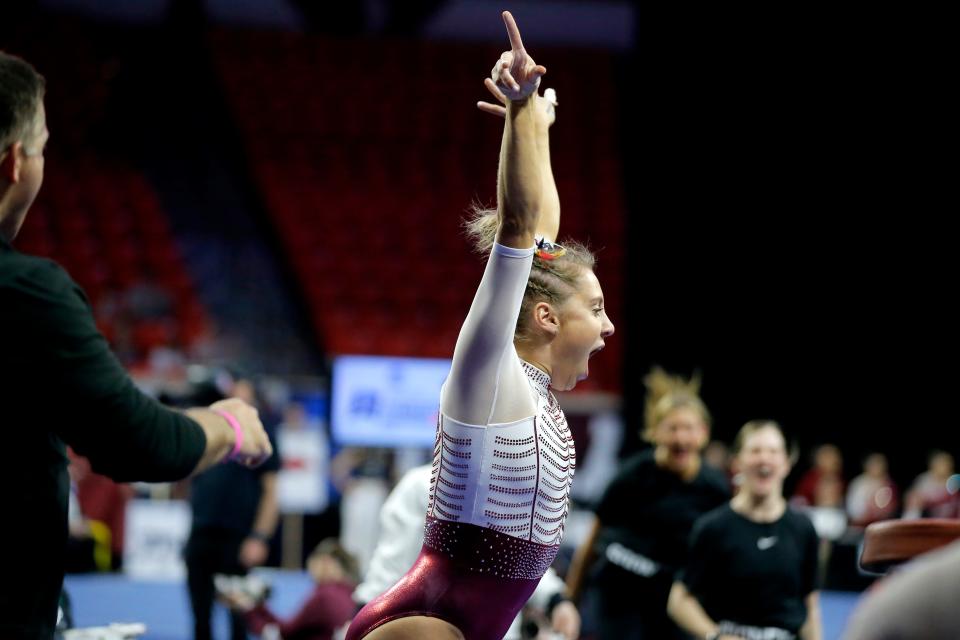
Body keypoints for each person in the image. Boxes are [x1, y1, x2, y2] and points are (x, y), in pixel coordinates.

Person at [345, 11, 614, 640]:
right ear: (546, 317)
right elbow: (519, 229)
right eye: (595, 309)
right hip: (425, 622)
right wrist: (520, 106)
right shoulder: (492, 376)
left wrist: (535, 128)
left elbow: (539, 224)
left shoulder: (532, 388)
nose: (608, 328)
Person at [0, 50, 273, 639]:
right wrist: (228, 424)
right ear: (14, 164)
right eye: (43, 147)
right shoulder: (26, 293)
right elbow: (137, 443)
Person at [565, 367, 730, 640]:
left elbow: (718, 556)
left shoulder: (715, 489)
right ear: (655, 431)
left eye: (688, 428)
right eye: (672, 428)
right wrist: (571, 598)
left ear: (704, 433)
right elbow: (593, 539)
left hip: (669, 599)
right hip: (617, 593)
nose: (680, 438)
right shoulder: (631, 475)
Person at [353, 464, 581, 640]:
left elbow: (516, 560)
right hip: (427, 625)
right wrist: (367, 614)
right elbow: (392, 563)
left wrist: (556, 599)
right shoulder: (422, 484)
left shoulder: (510, 492)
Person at [668, 420, 822, 640]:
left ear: (787, 463)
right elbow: (679, 601)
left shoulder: (803, 529)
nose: (764, 458)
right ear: (737, 462)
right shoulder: (713, 527)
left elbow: (811, 607)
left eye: (773, 451)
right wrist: (715, 636)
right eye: (755, 450)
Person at [183, 372, 281, 640]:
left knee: (238, 621)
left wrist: (259, 537)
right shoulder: (211, 424)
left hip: (237, 536)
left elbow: (271, 491)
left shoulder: (263, 429)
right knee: (200, 619)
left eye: (240, 387)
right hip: (202, 531)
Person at [220, 538, 359, 640]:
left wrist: (250, 610)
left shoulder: (324, 595)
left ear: (325, 563)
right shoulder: (353, 592)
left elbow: (283, 633)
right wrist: (259, 608)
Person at [845, 452, 898, 528]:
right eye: (873, 464)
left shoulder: (888, 484)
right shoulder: (858, 483)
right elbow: (852, 508)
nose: (877, 467)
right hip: (860, 525)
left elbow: (891, 508)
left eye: (879, 463)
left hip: (883, 524)